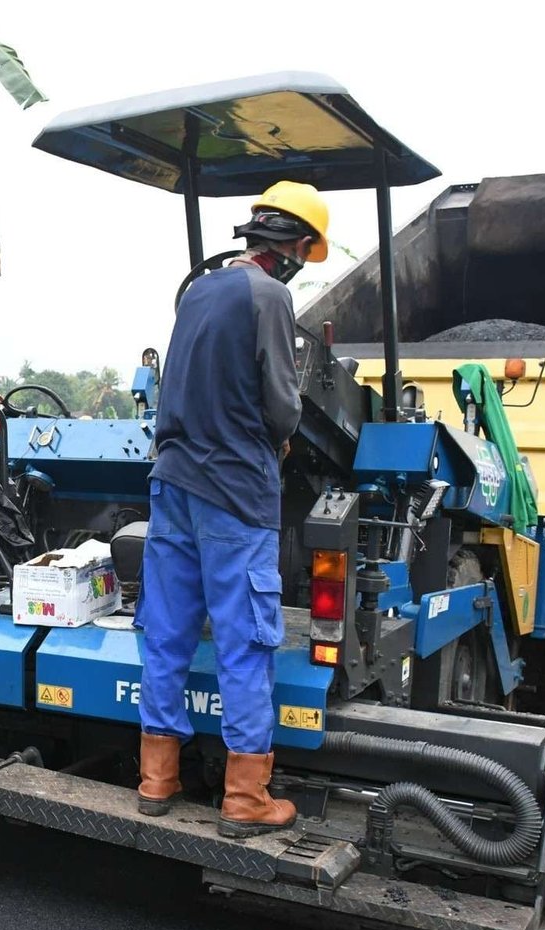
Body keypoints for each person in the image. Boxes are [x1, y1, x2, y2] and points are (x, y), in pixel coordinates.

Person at [134, 180, 326, 836]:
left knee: (166, 630)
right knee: (245, 640)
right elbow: (281, 402)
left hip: (173, 482)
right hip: (234, 492)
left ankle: (157, 777)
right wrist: (289, 427)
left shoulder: (200, 290)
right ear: (295, 244)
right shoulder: (271, 295)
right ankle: (245, 798)